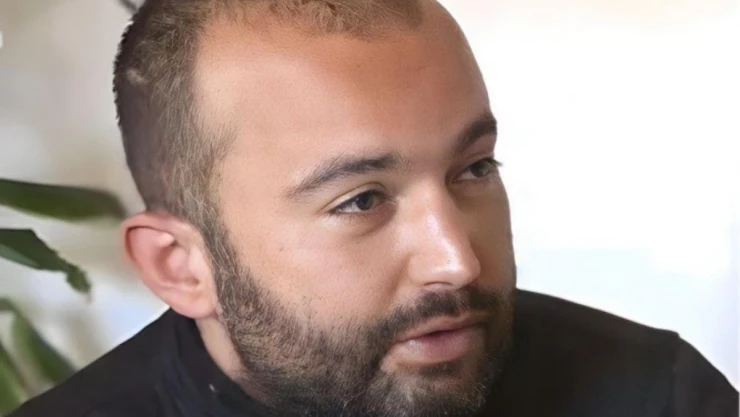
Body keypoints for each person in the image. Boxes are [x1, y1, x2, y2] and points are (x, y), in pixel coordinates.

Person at [10, 0, 737, 416]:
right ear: (181, 268)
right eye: (361, 200)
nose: (457, 260)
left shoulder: (655, 396)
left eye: (474, 168)